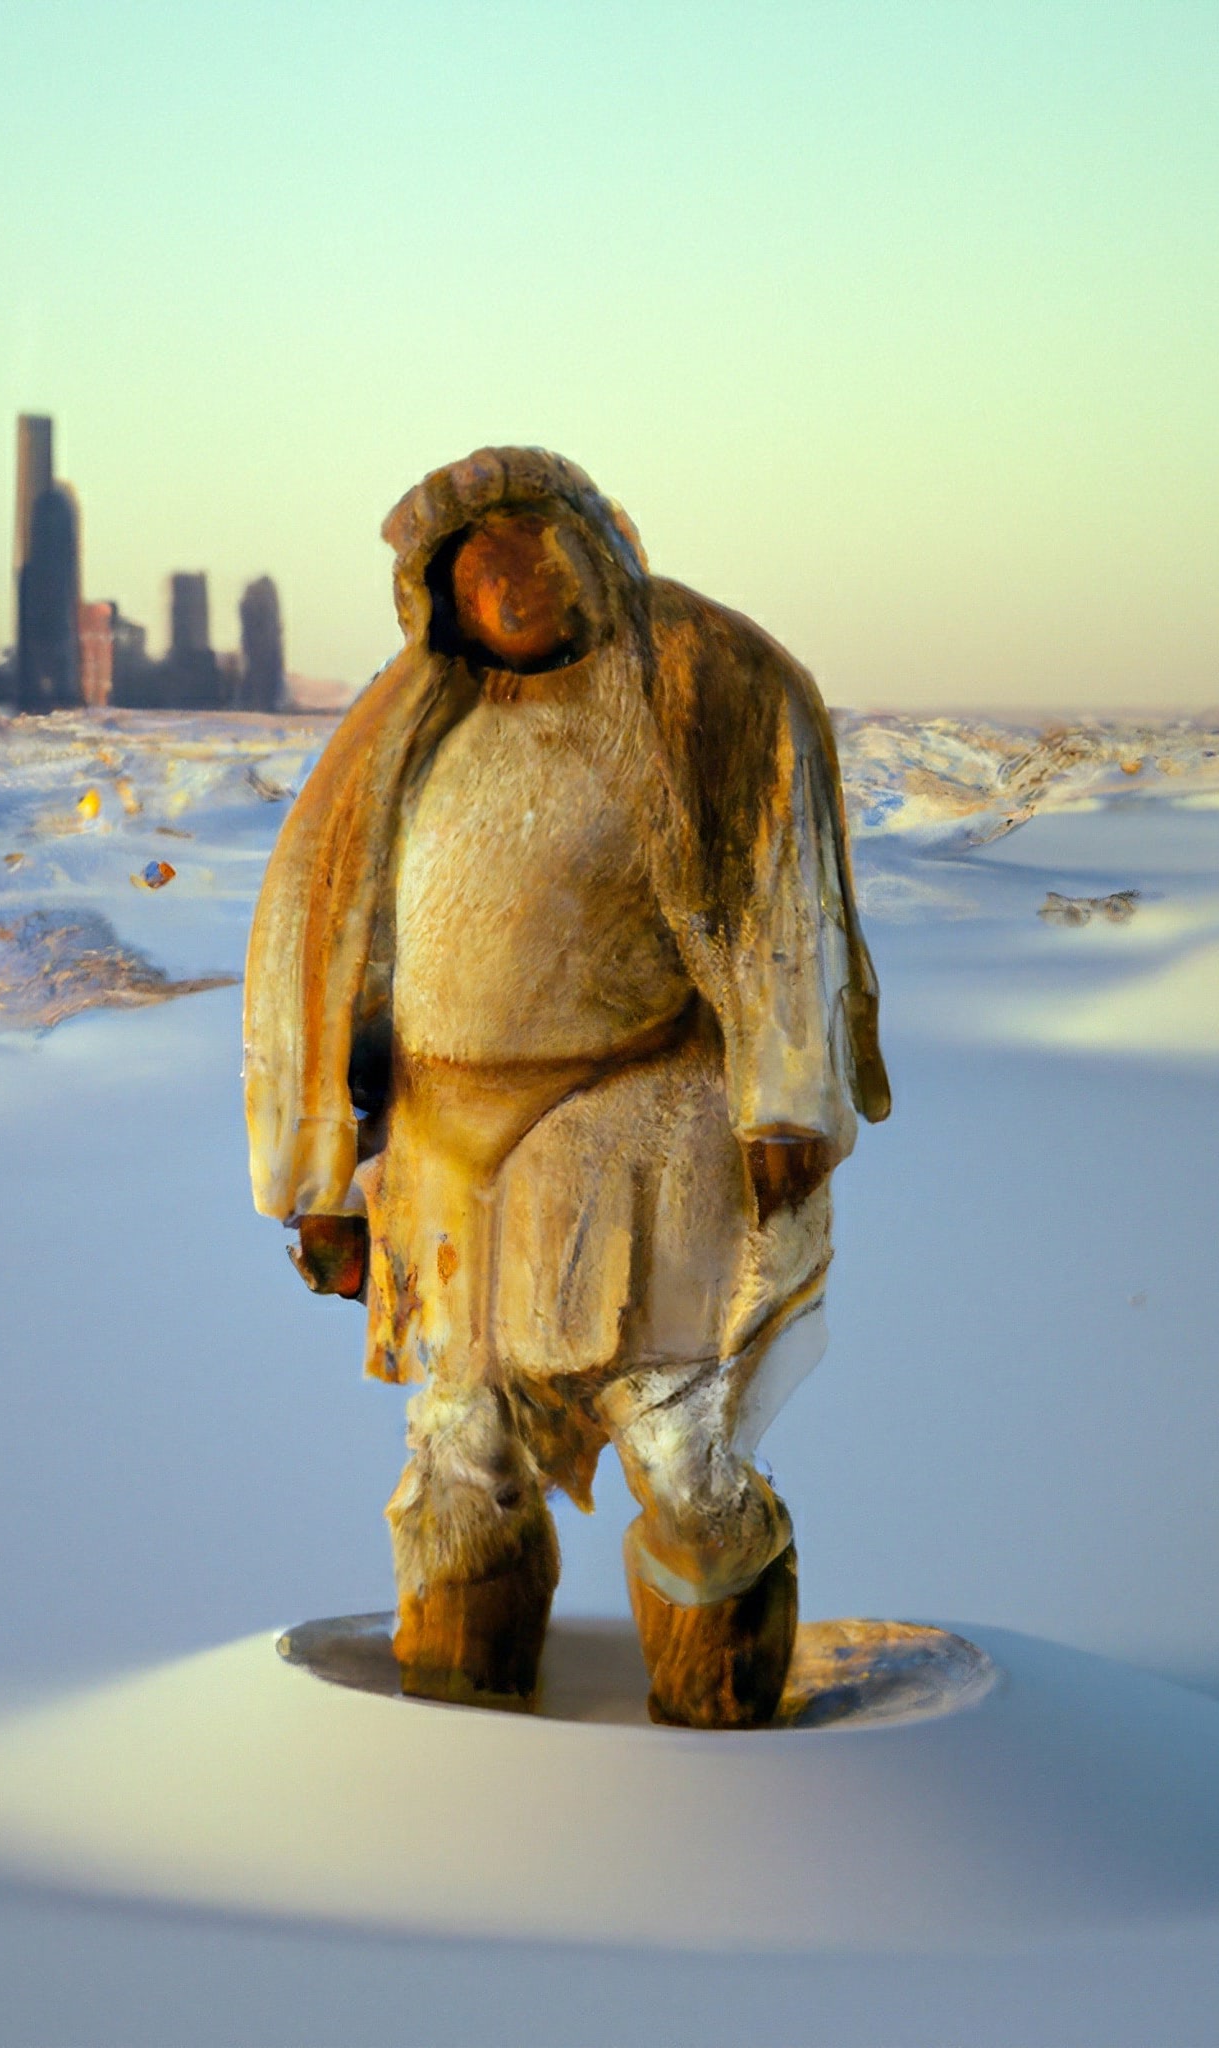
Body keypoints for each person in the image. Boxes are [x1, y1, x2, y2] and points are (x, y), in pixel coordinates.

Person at [244, 448, 888, 1727]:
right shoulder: (402, 733)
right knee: (460, 1444)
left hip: (644, 1129)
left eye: (532, 556)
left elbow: (776, 894)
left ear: (592, 553)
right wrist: (315, 1178)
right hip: (445, 1156)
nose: (511, 589)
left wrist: (786, 1094)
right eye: (475, 571)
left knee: (676, 1440)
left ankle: (722, 1715)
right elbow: (316, 949)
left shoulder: (707, 690)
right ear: (431, 594)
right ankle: (460, 1711)